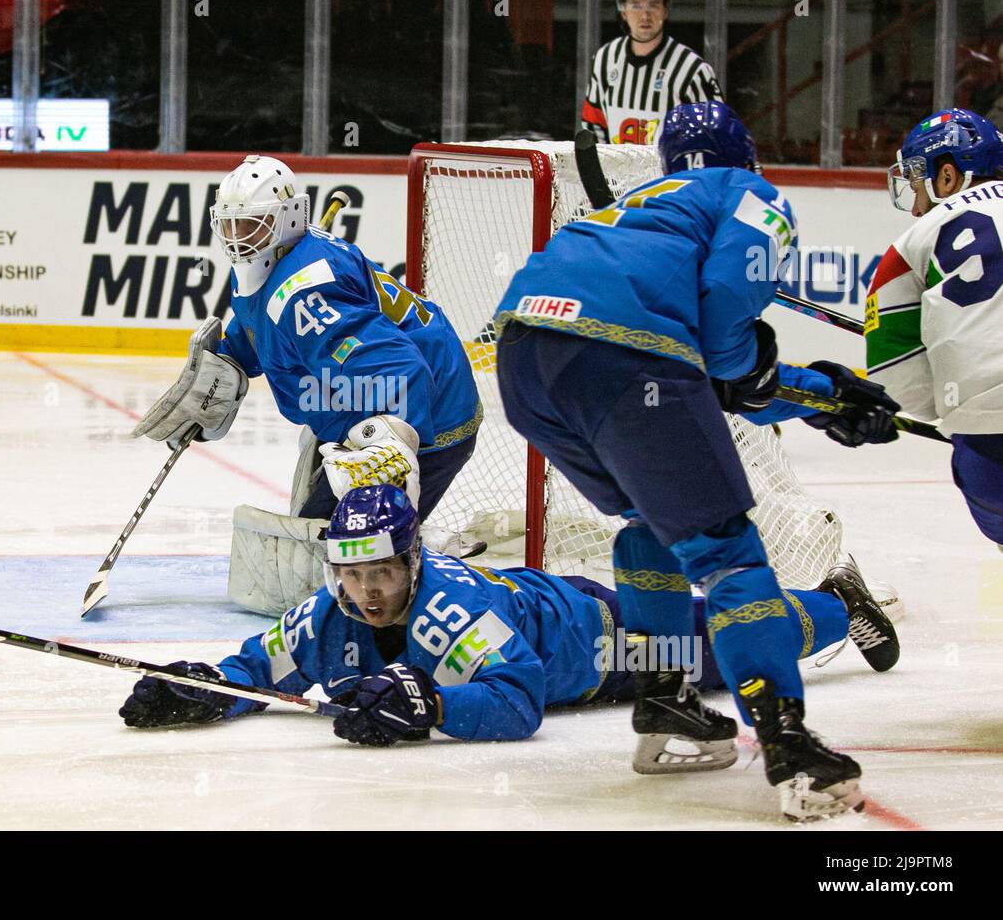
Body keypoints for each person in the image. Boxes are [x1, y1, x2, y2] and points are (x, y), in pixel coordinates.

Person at [490, 101, 903, 821]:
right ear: (746, 156)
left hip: (528, 363)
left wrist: (823, 397)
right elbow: (724, 350)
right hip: (624, 362)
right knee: (728, 553)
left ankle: (665, 703)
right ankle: (789, 745)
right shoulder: (747, 194)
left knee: (653, 528)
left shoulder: (642, 208)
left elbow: (717, 376)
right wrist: (809, 385)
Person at [118, 486, 899, 793]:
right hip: (557, 623)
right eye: (353, 575)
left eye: (385, 571)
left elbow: (519, 700)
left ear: (413, 562)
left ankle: (838, 600)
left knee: (734, 641)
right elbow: (261, 668)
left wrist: (430, 708)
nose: (369, 591)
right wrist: (204, 689)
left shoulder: (446, 609)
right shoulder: (329, 616)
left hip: (605, 643)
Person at [133, 155, 482, 614]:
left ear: (288, 219)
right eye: (231, 226)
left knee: (351, 564)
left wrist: (390, 446)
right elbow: (268, 324)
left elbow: (401, 368)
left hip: (426, 412)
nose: (239, 240)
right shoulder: (272, 264)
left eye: (253, 226)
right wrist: (230, 359)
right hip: (356, 402)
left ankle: (426, 574)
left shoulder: (304, 290)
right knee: (314, 548)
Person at [878, 108, 1003, 547]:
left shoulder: (912, 243)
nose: (915, 207)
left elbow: (895, 371)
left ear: (946, 176)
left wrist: (950, 408)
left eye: (917, 187)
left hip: (989, 449)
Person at [580, 0, 723, 146]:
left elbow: (718, 136)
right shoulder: (605, 59)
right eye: (636, 5)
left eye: (653, 5)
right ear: (623, 10)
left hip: (672, 175)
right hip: (616, 174)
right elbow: (593, 125)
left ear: (666, 9)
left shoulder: (693, 70)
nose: (645, 16)